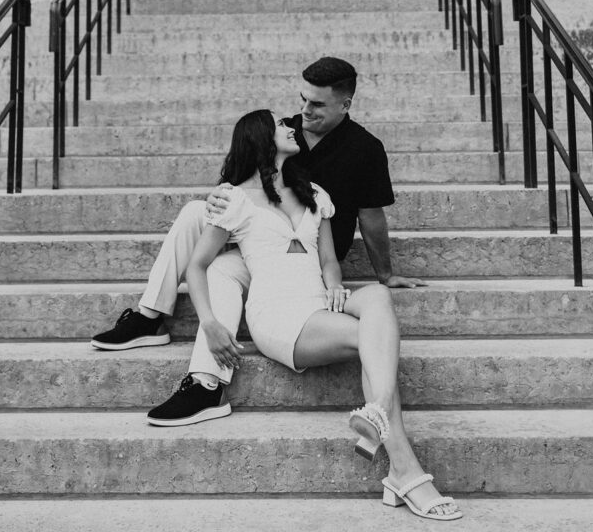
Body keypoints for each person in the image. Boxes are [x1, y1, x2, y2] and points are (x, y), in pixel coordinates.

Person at [91, 57, 424, 428]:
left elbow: (372, 216)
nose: (303, 111)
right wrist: (219, 196)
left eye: (316, 104)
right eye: (302, 100)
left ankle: (206, 381)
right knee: (193, 214)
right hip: (258, 239)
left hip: (305, 254)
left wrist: (385, 273)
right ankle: (153, 318)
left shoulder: (365, 148)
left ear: (345, 104)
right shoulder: (285, 132)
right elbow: (243, 179)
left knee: (218, 268)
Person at [186, 109, 461, 522]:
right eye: (280, 126)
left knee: (378, 299)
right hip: (278, 314)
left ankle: (382, 424)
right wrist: (210, 323)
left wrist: (334, 283)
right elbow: (196, 266)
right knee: (372, 341)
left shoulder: (313, 192)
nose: (290, 128)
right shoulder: (233, 200)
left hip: (320, 299)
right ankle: (404, 468)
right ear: (260, 139)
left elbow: (329, 260)